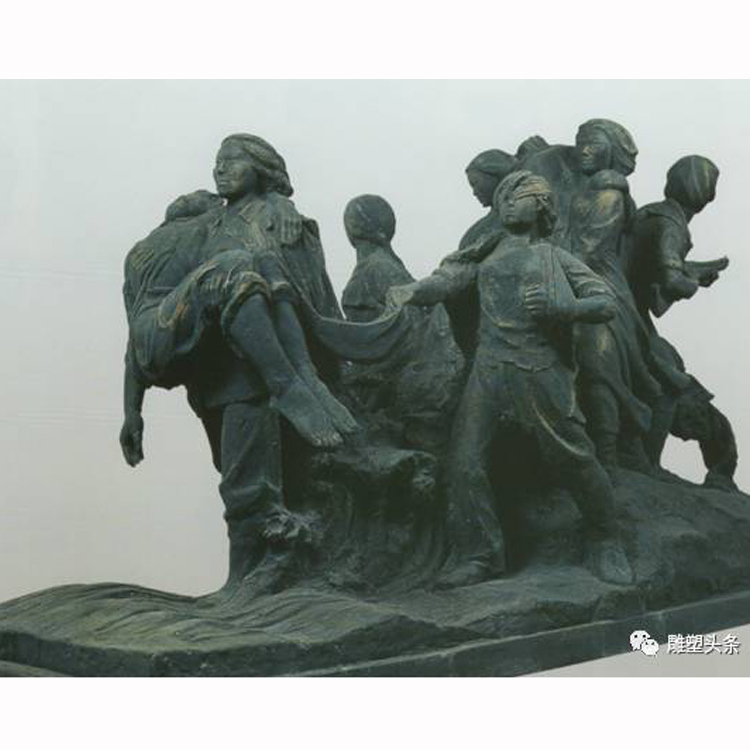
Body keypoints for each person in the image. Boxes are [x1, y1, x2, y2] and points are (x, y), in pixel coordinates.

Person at [120, 135, 365, 588]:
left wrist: (281, 204)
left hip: (255, 372)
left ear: (263, 168)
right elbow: (140, 332)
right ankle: (246, 578)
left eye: (231, 160)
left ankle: (258, 576)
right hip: (215, 365)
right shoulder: (199, 230)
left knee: (259, 476)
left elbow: (310, 290)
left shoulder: (276, 218)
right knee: (239, 473)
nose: (219, 170)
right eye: (216, 162)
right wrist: (131, 409)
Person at [388, 171, 633, 588]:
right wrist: (414, 290)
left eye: (518, 196)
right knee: (464, 462)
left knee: (573, 457)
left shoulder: (554, 257)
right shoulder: (486, 253)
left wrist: (563, 306)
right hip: (489, 369)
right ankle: (480, 554)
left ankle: (606, 539)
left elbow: (605, 301)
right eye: (503, 197)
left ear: (541, 205)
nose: (507, 203)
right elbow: (448, 280)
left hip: (540, 368)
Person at [523, 119, 680, 472]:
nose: (585, 149)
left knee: (598, 361)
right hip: (564, 274)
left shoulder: (610, 194)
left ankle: (609, 452)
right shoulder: (576, 186)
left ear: (613, 152)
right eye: (580, 142)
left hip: (598, 284)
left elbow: (587, 250)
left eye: (594, 143)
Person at [630, 155, 736, 488]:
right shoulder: (672, 225)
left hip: (629, 309)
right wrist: (694, 282)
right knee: (671, 378)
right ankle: (648, 462)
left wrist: (695, 269)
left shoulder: (651, 212)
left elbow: (650, 267)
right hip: (628, 314)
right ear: (705, 194)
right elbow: (672, 281)